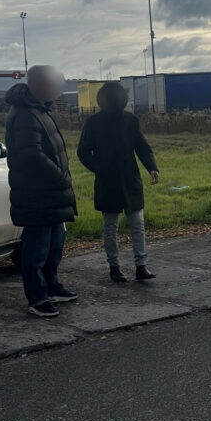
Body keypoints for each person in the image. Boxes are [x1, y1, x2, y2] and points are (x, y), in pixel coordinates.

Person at [4, 65, 78, 318]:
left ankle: (52, 287)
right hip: (37, 194)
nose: (59, 88)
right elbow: (32, 155)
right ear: (39, 84)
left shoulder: (40, 109)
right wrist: (59, 176)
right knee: (36, 249)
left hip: (51, 194)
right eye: (55, 83)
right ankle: (37, 298)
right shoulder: (25, 114)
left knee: (54, 246)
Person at [77, 82, 159, 283]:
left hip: (130, 179)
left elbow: (141, 145)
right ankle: (114, 267)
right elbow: (83, 152)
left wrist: (152, 167)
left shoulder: (130, 120)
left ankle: (141, 266)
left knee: (137, 224)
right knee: (110, 226)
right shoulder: (93, 123)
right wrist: (100, 169)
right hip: (108, 182)